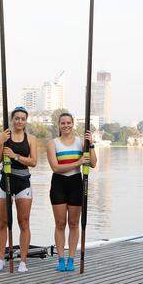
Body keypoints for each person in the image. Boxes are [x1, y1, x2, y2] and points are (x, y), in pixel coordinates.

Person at [47, 112, 97, 272]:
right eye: (63, 123)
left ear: (73, 124)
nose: (66, 125)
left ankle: (71, 259)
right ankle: (61, 259)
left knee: (74, 223)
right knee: (60, 223)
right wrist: (78, 162)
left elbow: (93, 164)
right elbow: (55, 167)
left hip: (76, 183)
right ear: (59, 125)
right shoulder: (52, 144)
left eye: (69, 123)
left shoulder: (81, 142)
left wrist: (91, 144)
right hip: (59, 184)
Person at [0, 107, 38, 273]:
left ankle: (23, 262)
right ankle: (0, 259)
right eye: (16, 118)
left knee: (23, 222)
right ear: (12, 120)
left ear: (26, 121)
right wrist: (0, 143)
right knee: (3, 221)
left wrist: (15, 156)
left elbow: (33, 162)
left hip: (23, 182)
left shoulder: (31, 139)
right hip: (5, 180)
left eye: (22, 119)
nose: (19, 121)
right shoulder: (3, 136)